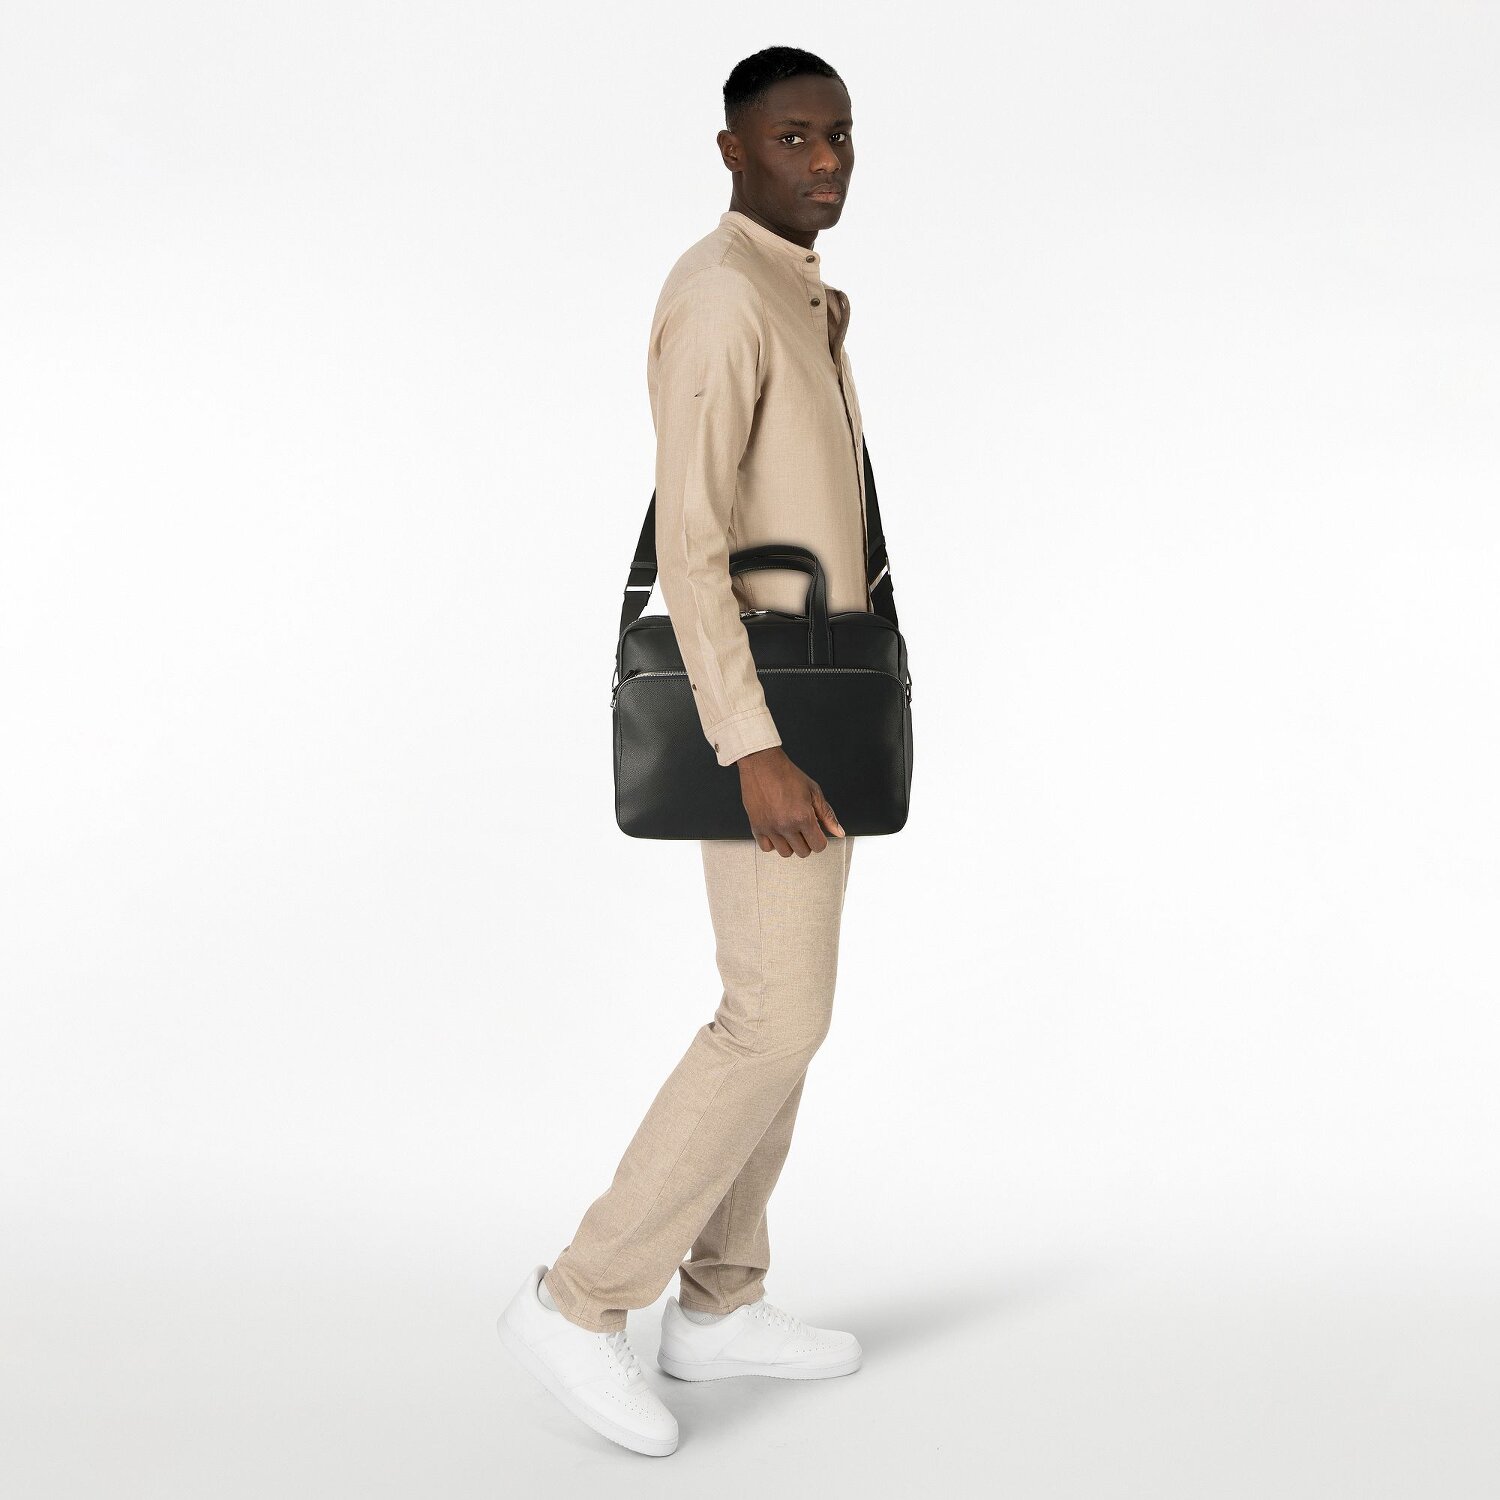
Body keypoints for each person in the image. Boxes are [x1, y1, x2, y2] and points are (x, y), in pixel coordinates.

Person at [498, 46, 876, 1458]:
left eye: (839, 136)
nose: (824, 162)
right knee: (771, 1019)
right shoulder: (721, 296)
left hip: (816, 703)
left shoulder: (796, 290)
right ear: (731, 150)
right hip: (766, 716)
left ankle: (720, 1302)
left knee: (789, 1009)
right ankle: (580, 1297)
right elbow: (695, 543)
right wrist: (753, 747)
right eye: (792, 139)